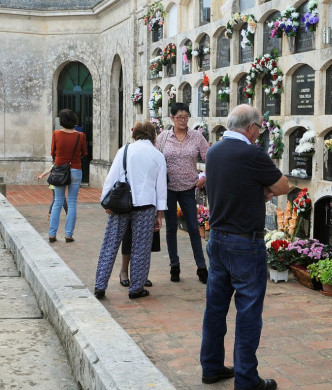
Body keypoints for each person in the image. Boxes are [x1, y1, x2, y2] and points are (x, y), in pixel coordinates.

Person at [200, 104, 289, 390]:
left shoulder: (213, 151)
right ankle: (247, 379)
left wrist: (253, 191)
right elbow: (283, 186)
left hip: (218, 238)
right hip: (244, 243)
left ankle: (211, 367)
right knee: (249, 312)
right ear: (250, 128)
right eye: (259, 128)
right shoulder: (252, 153)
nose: (259, 134)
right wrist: (259, 192)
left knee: (215, 308)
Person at [94, 121, 167, 300]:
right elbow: (161, 189)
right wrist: (160, 215)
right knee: (141, 248)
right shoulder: (158, 156)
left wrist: (106, 202)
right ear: (153, 135)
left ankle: (100, 285)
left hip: (121, 204)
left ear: (135, 134)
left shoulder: (124, 150)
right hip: (146, 206)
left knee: (110, 244)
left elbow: (111, 178)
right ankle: (136, 288)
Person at [155, 102, 209, 284]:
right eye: (179, 117)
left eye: (186, 116)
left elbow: (210, 158)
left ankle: (201, 267)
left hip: (188, 188)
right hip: (168, 188)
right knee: (171, 228)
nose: (183, 120)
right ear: (171, 118)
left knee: (194, 228)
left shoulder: (196, 137)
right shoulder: (163, 138)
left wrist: (204, 177)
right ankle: (174, 266)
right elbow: (154, 160)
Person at [48, 109, 87, 242]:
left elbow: (52, 152)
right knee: (72, 202)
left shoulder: (56, 134)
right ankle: (68, 234)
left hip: (59, 169)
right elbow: (84, 153)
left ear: (62, 121)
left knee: (57, 202)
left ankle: (52, 234)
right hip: (75, 169)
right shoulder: (80, 135)